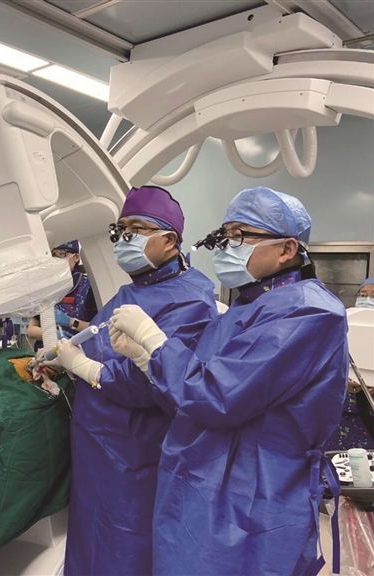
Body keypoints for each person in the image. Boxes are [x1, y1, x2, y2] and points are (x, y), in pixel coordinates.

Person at [110, 186, 348, 575]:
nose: (224, 247)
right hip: (201, 478)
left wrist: (156, 344)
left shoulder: (309, 312)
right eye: (224, 235)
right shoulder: (244, 309)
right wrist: (146, 361)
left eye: (238, 236)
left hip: (254, 491)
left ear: (287, 249)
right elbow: (190, 398)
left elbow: (219, 396)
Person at [39, 186, 218, 576]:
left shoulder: (191, 300)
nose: (124, 239)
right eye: (120, 230)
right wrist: (62, 361)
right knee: (90, 540)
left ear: (169, 239)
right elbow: (100, 345)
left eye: (136, 229)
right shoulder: (130, 291)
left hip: (136, 450)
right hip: (97, 445)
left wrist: (83, 368)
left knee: (125, 545)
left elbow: (155, 381)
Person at [324, 277, 374, 451]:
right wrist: (343, 380)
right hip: (343, 414)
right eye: (363, 295)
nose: (367, 300)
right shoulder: (340, 327)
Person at [27, 241, 97, 348]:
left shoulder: (87, 288)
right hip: (46, 350)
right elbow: (31, 330)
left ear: (76, 257)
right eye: (53, 254)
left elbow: (97, 327)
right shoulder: (46, 288)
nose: (56, 259)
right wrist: (55, 336)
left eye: (61, 254)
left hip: (77, 351)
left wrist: (71, 322)